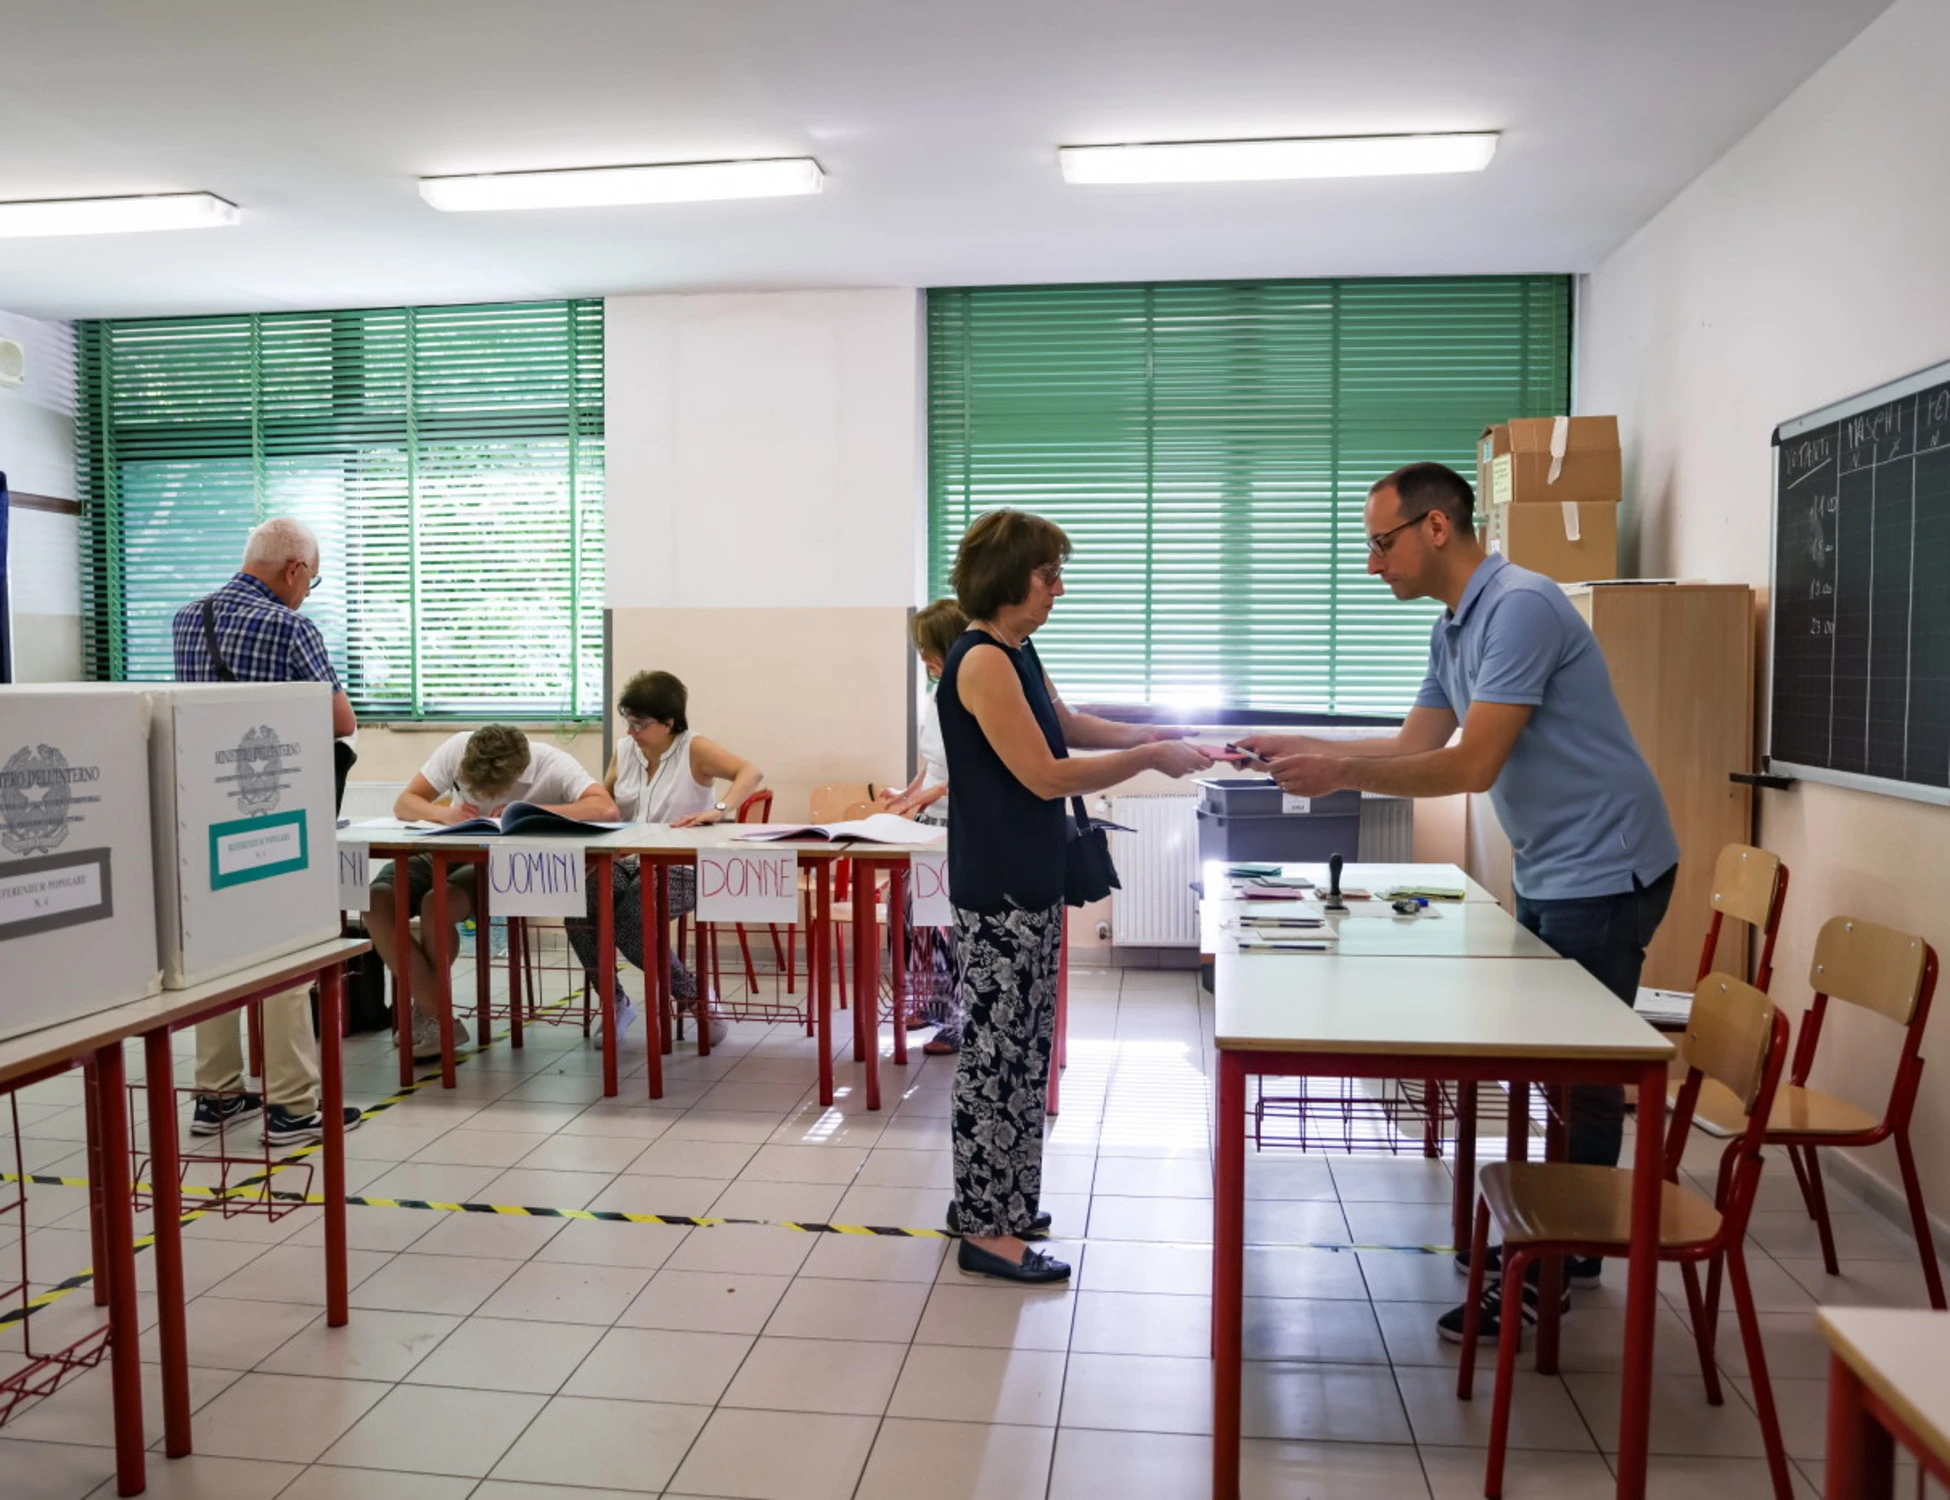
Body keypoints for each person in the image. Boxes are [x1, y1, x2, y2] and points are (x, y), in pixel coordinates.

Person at [1238, 461, 1679, 1342]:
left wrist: (1339, 773)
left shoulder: (1521, 607)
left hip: (1609, 864)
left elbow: (1470, 766)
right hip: (1552, 864)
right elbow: (1417, 742)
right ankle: (1562, 1248)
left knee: (1582, 1072)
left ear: (1436, 527)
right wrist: (1300, 744)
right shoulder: (1455, 627)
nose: (1372, 565)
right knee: (1558, 1064)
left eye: (1381, 543)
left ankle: (1550, 1266)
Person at [938, 509, 1212, 1283]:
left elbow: (1062, 724)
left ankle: (1000, 1201)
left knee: (1025, 1050)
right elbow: (1045, 774)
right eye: (1047, 575)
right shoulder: (981, 659)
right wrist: (1150, 759)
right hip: (998, 886)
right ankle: (986, 1229)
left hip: (1026, 875)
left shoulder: (1016, 650)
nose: (1058, 589)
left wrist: (1146, 734)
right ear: (1008, 577)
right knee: (998, 1055)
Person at [171, 516, 364, 1147]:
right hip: (278, 813)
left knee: (215, 952)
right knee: (286, 949)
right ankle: (292, 1107)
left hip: (204, 811)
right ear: (294, 569)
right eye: (312, 579)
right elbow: (340, 720)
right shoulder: (291, 626)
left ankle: (216, 1094)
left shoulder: (187, 619)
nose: (308, 592)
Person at [369, 724, 617, 1059]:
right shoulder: (457, 747)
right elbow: (405, 802)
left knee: (436, 904)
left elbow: (605, 808)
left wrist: (533, 812)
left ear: (518, 772)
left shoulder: (551, 762)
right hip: (444, 848)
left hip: (496, 864)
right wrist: (443, 813)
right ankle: (437, 1014)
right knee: (375, 901)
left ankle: (430, 1016)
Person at [564, 670, 762, 1047]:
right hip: (626, 858)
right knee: (580, 911)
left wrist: (719, 809)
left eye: (640, 723)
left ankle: (695, 999)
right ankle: (615, 1003)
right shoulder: (625, 751)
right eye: (628, 720)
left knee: (632, 920)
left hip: (681, 863)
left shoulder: (694, 748)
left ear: (668, 723)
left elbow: (751, 772)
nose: (631, 731)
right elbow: (604, 804)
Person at [878, 599, 965, 1052]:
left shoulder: (972, 693)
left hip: (962, 824)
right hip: (929, 823)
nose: (924, 658)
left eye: (929, 648)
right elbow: (931, 762)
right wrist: (908, 793)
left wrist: (936, 793)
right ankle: (931, 1003)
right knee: (910, 911)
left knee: (952, 921)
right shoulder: (937, 695)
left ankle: (959, 1018)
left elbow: (980, 768)